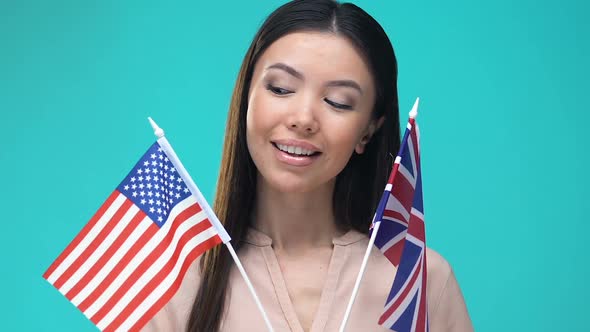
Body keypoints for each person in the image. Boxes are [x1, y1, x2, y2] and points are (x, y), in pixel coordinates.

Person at [145, 0, 473, 331]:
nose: (303, 119)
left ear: (368, 130)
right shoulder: (175, 285)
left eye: (338, 102)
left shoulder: (421, 281)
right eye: (281, 88)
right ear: (246, 98)